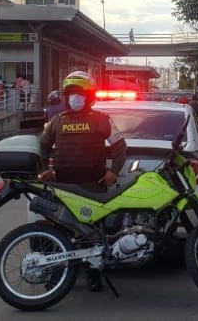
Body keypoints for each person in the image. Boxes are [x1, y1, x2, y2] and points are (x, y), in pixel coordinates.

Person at [37, 71, 127, 292]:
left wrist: (114, 172)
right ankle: (57, 274)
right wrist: (42, 170)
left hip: (92, 185)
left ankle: (93, 274)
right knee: (59, 231)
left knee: (91, 233)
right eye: (71, 94)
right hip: (63, 185)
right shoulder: (57, 122)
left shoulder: (102, 120)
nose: (75, 98)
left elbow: (120, 148)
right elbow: (41, 148)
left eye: (80, 93)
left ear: (89, 96)